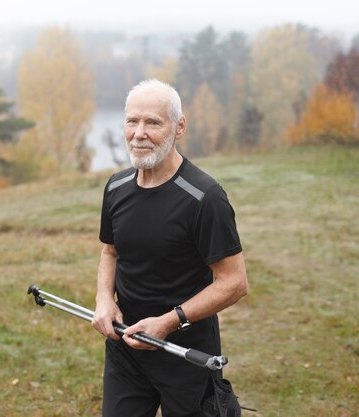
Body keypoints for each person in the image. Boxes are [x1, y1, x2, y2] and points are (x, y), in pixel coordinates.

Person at [92, 79, 248, 417]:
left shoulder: (205, 197)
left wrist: (169, 321)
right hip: (126, 348)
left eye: (153, 122)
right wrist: (104, 300)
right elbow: (110, 252)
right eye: (132, 121)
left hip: (186, 351)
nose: (139, 133)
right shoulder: (116, 187)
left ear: (178, 128)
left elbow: (234, 282)